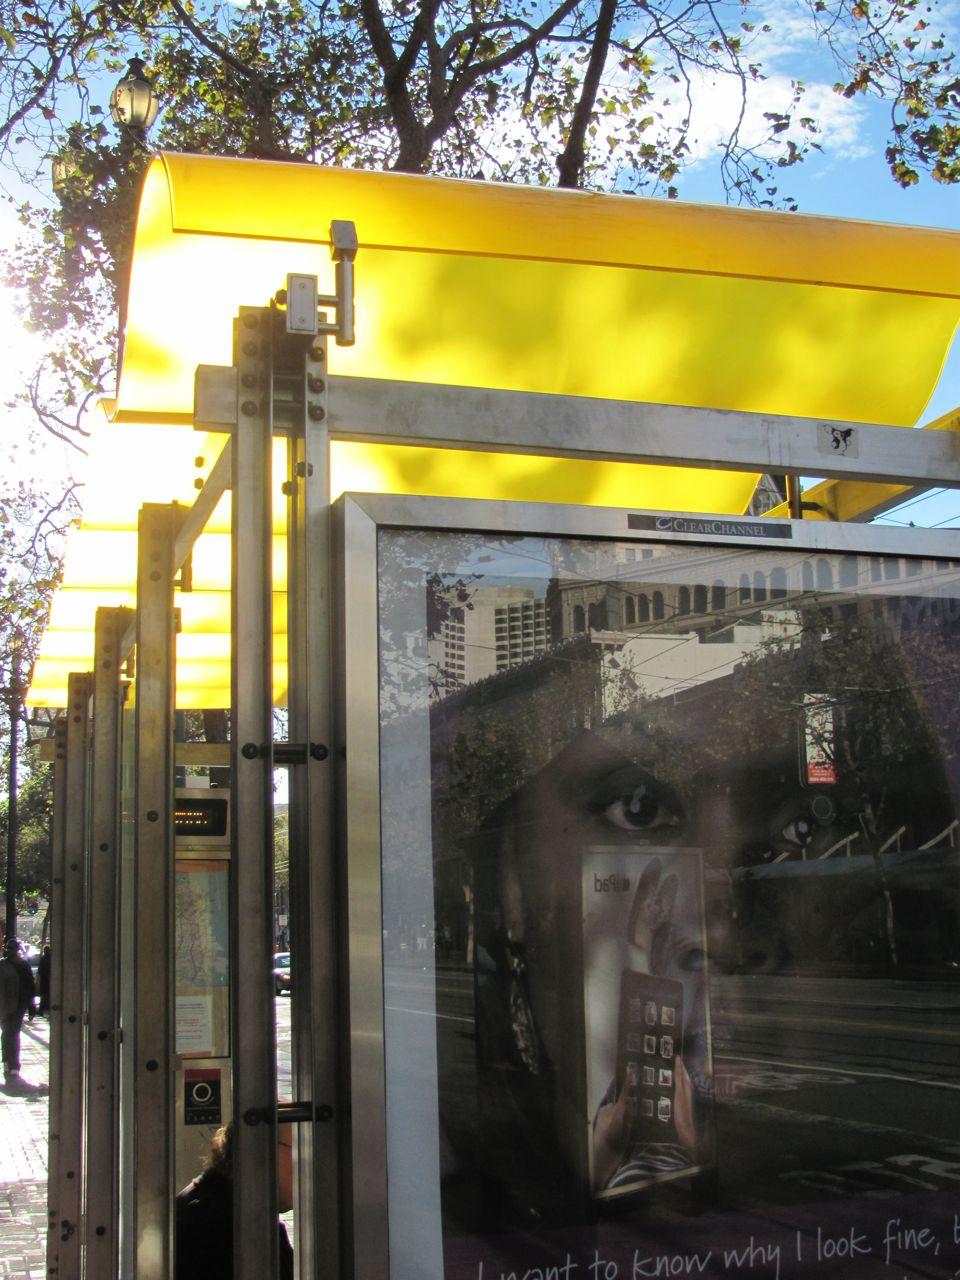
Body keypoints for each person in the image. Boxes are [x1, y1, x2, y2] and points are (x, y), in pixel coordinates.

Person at [175, 1121, 294, 1280]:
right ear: (262, 1149)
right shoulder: (240, 1228)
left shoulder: (206, 1202)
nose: (308, 1164)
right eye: (300, 1149)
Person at [0, 937, 37, 1090]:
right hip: (16, 1006)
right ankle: (11, 1065)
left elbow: (30, 988)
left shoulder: (4, 965)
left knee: (8, 1034)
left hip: (9, 1007)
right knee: (11, 1034)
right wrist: (31, 1007)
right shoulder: (21, 965)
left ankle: (10, 1064)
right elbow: (31, 989)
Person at [37, 946, 51, 1017]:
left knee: (44, 995)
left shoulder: (43, 959)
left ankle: (42, 1009)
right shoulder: (50, 959)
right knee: (46, 995)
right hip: (47, 980)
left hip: (45, 980)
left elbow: (39, 971)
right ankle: (43, 1009)